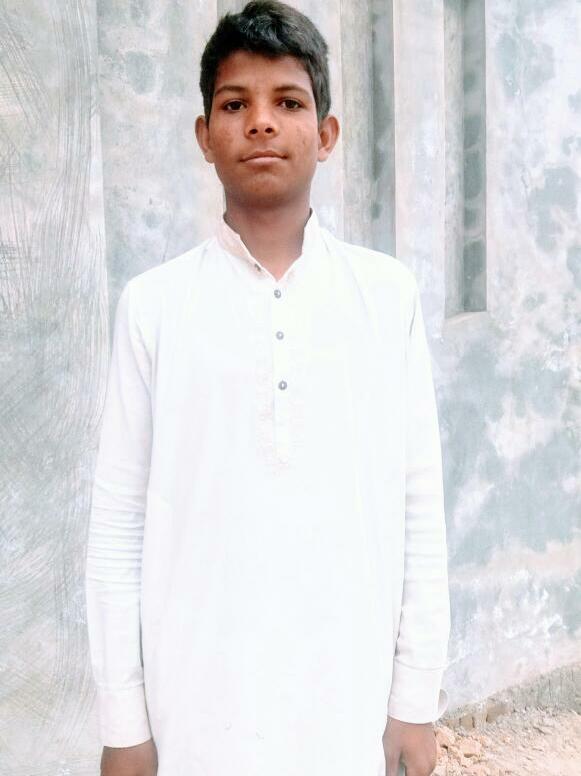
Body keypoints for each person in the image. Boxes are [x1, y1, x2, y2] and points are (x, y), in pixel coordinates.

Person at [85, 2, 451, 775]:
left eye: (287, 101)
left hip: (345, 707)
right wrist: (124, 721)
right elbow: (118, 526)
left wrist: (414, 700)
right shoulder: (153, 307)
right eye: (234, 104)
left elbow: (418, 505)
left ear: (326, 133)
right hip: (195, 714)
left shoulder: (385, 297)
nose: (260, 122)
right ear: (203, 135)